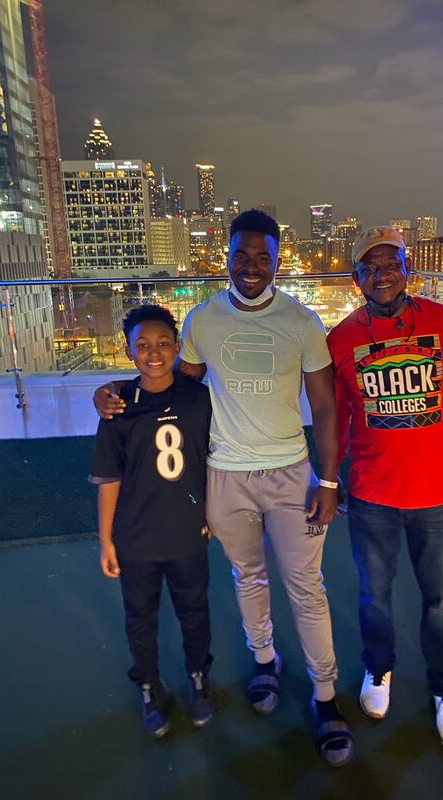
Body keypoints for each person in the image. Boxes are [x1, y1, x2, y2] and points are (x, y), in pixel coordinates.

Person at [94, 210, 353, 767]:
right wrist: (114, 392)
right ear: (228, 257)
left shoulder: (303, 322)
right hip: (226, 475)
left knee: (306, 585)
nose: (252, 266)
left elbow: (326, 405)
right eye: (242, 255)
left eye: (263, 256)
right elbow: (169, 387)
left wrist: (328, 479)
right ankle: (265, 664)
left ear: (279, 259)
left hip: (290, 474)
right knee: (248, 575)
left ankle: (326, 698)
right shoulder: (202, 321)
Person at [327, 226, 443, 748]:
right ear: (356, 280)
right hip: (372, 492)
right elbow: (338, 420)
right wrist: (334, 477)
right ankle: (379, 668)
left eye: (391, 262)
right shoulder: (341, 338)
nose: (382, 274)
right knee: (375, 597)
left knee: (440, 601)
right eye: (370, 267)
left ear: (408, 268)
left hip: (437, 493)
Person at [89, 304, 214, 738]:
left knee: (194, 612)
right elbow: (109, 478)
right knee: (139, 617)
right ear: (128, 351)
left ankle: (198, 676)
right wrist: (106, 540)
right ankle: (148, 684)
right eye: (142, 345)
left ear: (178, 347)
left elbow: (212, 461)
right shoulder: (119, 407)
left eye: (163, 344)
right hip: (136, 538)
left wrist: (209, 511)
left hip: (187, 532)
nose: (154, 353)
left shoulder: (199, 399)